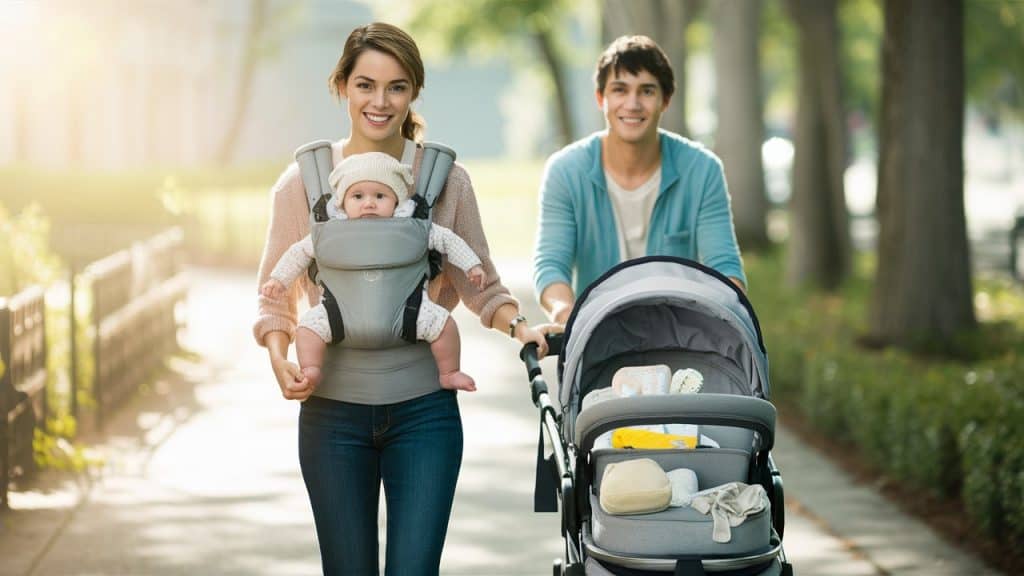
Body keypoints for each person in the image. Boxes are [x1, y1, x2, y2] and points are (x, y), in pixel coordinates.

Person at [253, 22, 548, 575]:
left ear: (413, 92)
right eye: (365, 85)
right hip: (331, 416)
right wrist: (278, 357)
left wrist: (521, 327)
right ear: (342, 86)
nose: (379, 102)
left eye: (396, 87)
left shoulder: (445, 180)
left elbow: (481, 284)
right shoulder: (303, 183)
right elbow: (274, 299)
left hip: (424, 416)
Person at [533, 35, 748, 326]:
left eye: (647, 91)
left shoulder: (703, 170)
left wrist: (724, 320)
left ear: (665, 101)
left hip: (682, 337)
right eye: (620, 90)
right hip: (597, 337)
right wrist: (566, 315)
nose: (632, 104)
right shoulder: (565, 171)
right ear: (601, 98)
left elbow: (725, 269)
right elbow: (551, 267)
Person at [260, 151, 486, 393]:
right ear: (342, 202)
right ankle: (311, 369)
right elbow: (298, 253)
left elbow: (449, 241)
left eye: (380, 196)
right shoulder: (330, 230)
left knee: (445, 326)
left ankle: (449, 372)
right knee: (307, 330)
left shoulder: (414, 227)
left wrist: (471, 264)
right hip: (338, 315)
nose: (369, 203)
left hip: (410, 312)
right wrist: (278, 279)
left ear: (397, 201)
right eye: (357, 196)